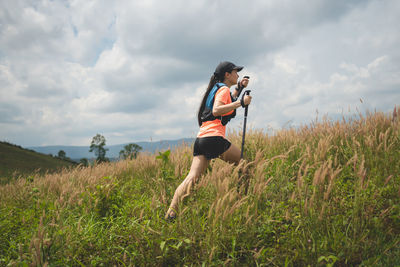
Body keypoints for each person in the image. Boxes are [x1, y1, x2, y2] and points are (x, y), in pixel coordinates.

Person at [165, 61, 252, 220]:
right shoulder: (224, 89)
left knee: (191, 178)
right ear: (227, 74)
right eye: (235, 72)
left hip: (201, 139)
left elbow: (226, 104)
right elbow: (217, 110)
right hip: (214, 138)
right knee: (245, 164)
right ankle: (242, 204)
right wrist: (241, 103)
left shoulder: (216, 89)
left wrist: (239, 87)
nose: (237, 74)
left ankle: (171, 212)